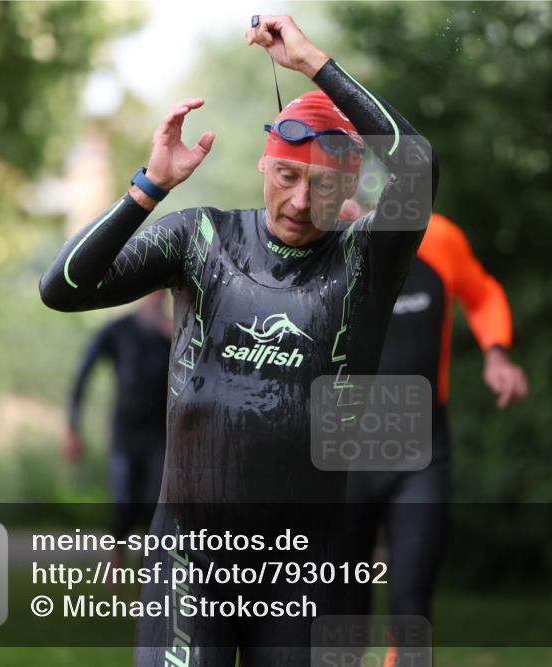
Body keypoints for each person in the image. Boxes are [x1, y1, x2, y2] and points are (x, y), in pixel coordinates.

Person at [38, 15, 437, 667]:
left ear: (350, 191)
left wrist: (313, 63)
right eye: (287, 176)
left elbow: (418, 164)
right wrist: (149, 188)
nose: (301, 201)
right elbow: (63, 286)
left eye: (323, 185)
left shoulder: (365, 262)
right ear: (265, 160)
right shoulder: (203, 239)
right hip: (188, 561)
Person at [340, 202, 528, 633]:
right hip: (341, 456)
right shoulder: (328, 242)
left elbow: (482, 294)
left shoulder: (438, 238)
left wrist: (496, 352)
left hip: (419, 453)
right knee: (342, 610)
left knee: (412, 601)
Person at [65, 290, 172, 551]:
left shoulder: (174, 335)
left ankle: (145, 581)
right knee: (123, 504)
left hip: (160, 435)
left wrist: (182, 337)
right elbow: (83, 373)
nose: (156, 297)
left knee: (153, 505)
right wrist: (72, 427)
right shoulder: (118, 331)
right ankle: (116, 560)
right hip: (124, 433)